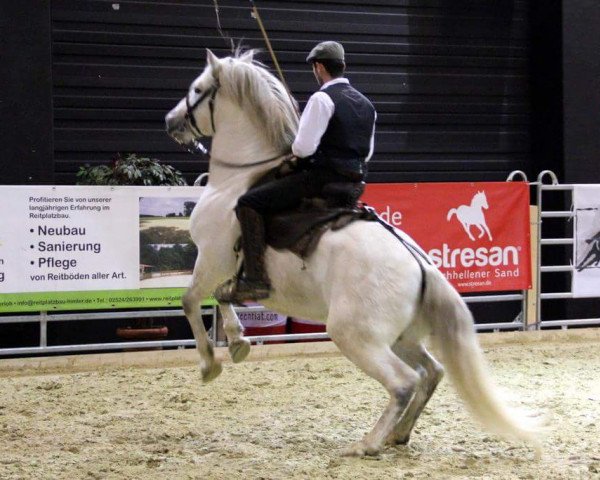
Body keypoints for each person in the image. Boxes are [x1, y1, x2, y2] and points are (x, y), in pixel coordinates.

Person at [214, 41, 377, 304]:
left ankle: (255, 280)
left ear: (319, 67)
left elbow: (302, 148)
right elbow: (366, 152)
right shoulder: (367, 104)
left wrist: (298, 139)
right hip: (355, 184)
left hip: (320, 180)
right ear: (342, 66)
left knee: (249, 202)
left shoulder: (322, 98)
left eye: (315, 67)